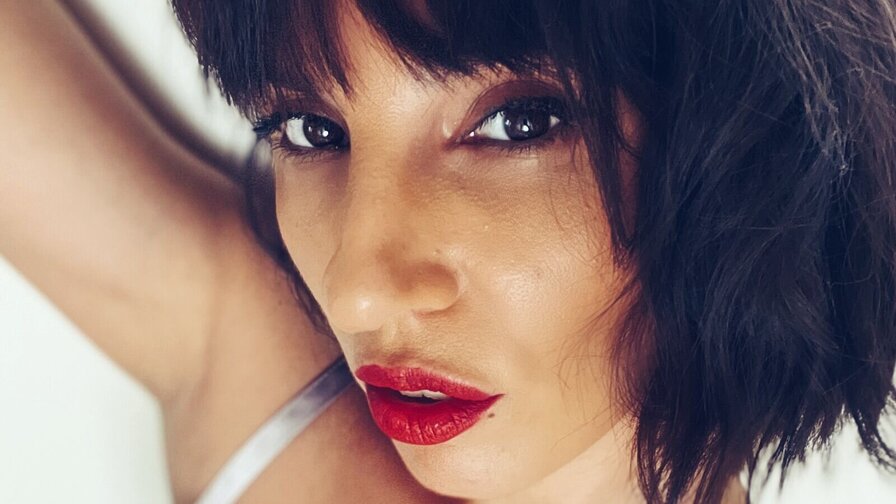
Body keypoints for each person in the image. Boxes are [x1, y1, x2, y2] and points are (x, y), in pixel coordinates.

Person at [2, 0, 896, 503]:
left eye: (518, 123)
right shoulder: (264, 383)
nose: (358, 292)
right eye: (310, 130)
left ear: (753, 143)